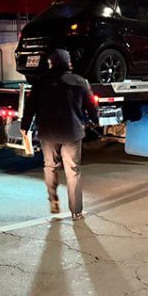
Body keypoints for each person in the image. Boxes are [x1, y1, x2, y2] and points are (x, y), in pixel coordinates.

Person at [20, 49, 99, 221]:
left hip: (48, 132)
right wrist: (94, 121)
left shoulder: (40, 83)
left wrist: (25, 126)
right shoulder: (80, 82)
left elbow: (30, 107)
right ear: (68, 63)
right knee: (73, 170)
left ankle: (53, 200)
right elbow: (91, 106)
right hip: (72, 132)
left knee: (50, 166)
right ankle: (76, 211)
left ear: (51, 64)